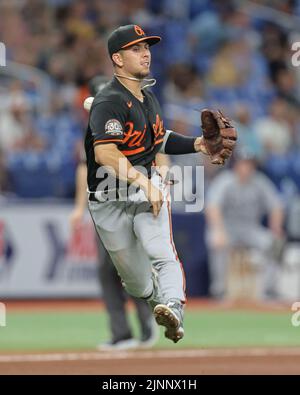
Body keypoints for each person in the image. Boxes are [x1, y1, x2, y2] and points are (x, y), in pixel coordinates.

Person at [84, 24, 235, 343]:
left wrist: (199, 145)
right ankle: (163, 308)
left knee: (161, 250)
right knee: (136, 282)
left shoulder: (149, 98)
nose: (145, 53)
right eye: (136, 48)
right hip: (107, 200)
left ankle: (174, 306)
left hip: (144, 189)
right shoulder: (109, 101)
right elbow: (104, 152)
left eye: (147, 47)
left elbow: (158, 140)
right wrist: (142, 180)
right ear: (118, 58)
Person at [70, 75, 159, 350]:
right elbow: (86, 168)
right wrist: (78, 208)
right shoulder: (96, 129)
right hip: (106, 205)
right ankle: (124, 333)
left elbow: (157, 153)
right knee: (108, 270)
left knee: (128, 265)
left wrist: (157, 187)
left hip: (131, 201)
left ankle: (147, 324)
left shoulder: (131, 123)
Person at [205, 149, 285, 299]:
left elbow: (276, 206)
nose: (246, 167)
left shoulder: (260, 181)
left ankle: (268, 289)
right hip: (228, 228)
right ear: (236, 165)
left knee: (276, 243)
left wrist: (276, 227)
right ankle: (219, 290)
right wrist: (218, 230)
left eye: (249, 164)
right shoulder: (225, 180)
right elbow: (212, 207)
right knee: (214, 240)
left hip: (250, 229)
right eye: (243, 163)